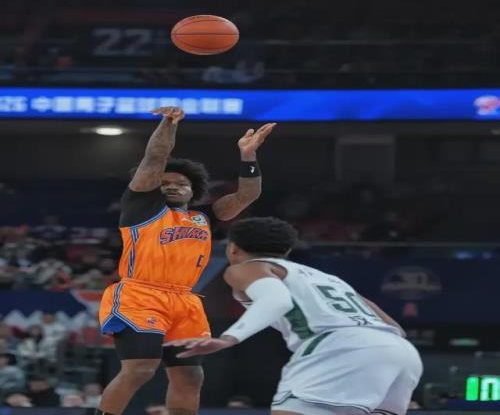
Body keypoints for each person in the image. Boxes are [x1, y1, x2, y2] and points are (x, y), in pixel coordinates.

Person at [97, 106, 275, 415]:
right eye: (165, 182)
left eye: (181, 183)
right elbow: (155, 158)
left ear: (193, 191)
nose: (173, 185)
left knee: (191, 376)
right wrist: (169, 123)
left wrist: (248, 157)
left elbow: (247, 195)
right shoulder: (141, 208)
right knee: (140, 369)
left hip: (185, 300)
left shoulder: (204, 216)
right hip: (141, 294)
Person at [170, 217, 423, 415]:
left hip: (339, 346)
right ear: (288, 250)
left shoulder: (246, 268)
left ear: (233, 249)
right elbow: (394, 327)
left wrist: (228, 338)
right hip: (399, 351)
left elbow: (276, 300)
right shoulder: (327, 278)